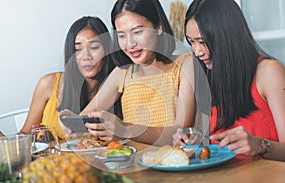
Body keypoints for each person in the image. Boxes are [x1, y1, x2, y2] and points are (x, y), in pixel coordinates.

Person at [60, 0, 197, 145]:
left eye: (137, 32)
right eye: (122, 35)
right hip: (131, 163)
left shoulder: (186, 64)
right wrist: (71, 121)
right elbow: (84, 119)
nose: (130, 44)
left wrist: (124, 130)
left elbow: (181, 133)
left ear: (158, 28)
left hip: (174, 162)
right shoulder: (122, 73)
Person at [173, 0, 285, 161]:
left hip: (269, 182)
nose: (197, 51)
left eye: (203, 42)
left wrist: (259, 145)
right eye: (192, 42)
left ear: (228, 37)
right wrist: (193, 143)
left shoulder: (268, 71)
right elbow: (220, 148)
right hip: (227, 180)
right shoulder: (210, 73)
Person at [0, 16, 121, 148]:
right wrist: (4, 141)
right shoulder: (49, 84)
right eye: (77, 49)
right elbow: (25, 133)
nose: (86, 57)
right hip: (56, 165)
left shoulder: (118, 84)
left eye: (94, 47)